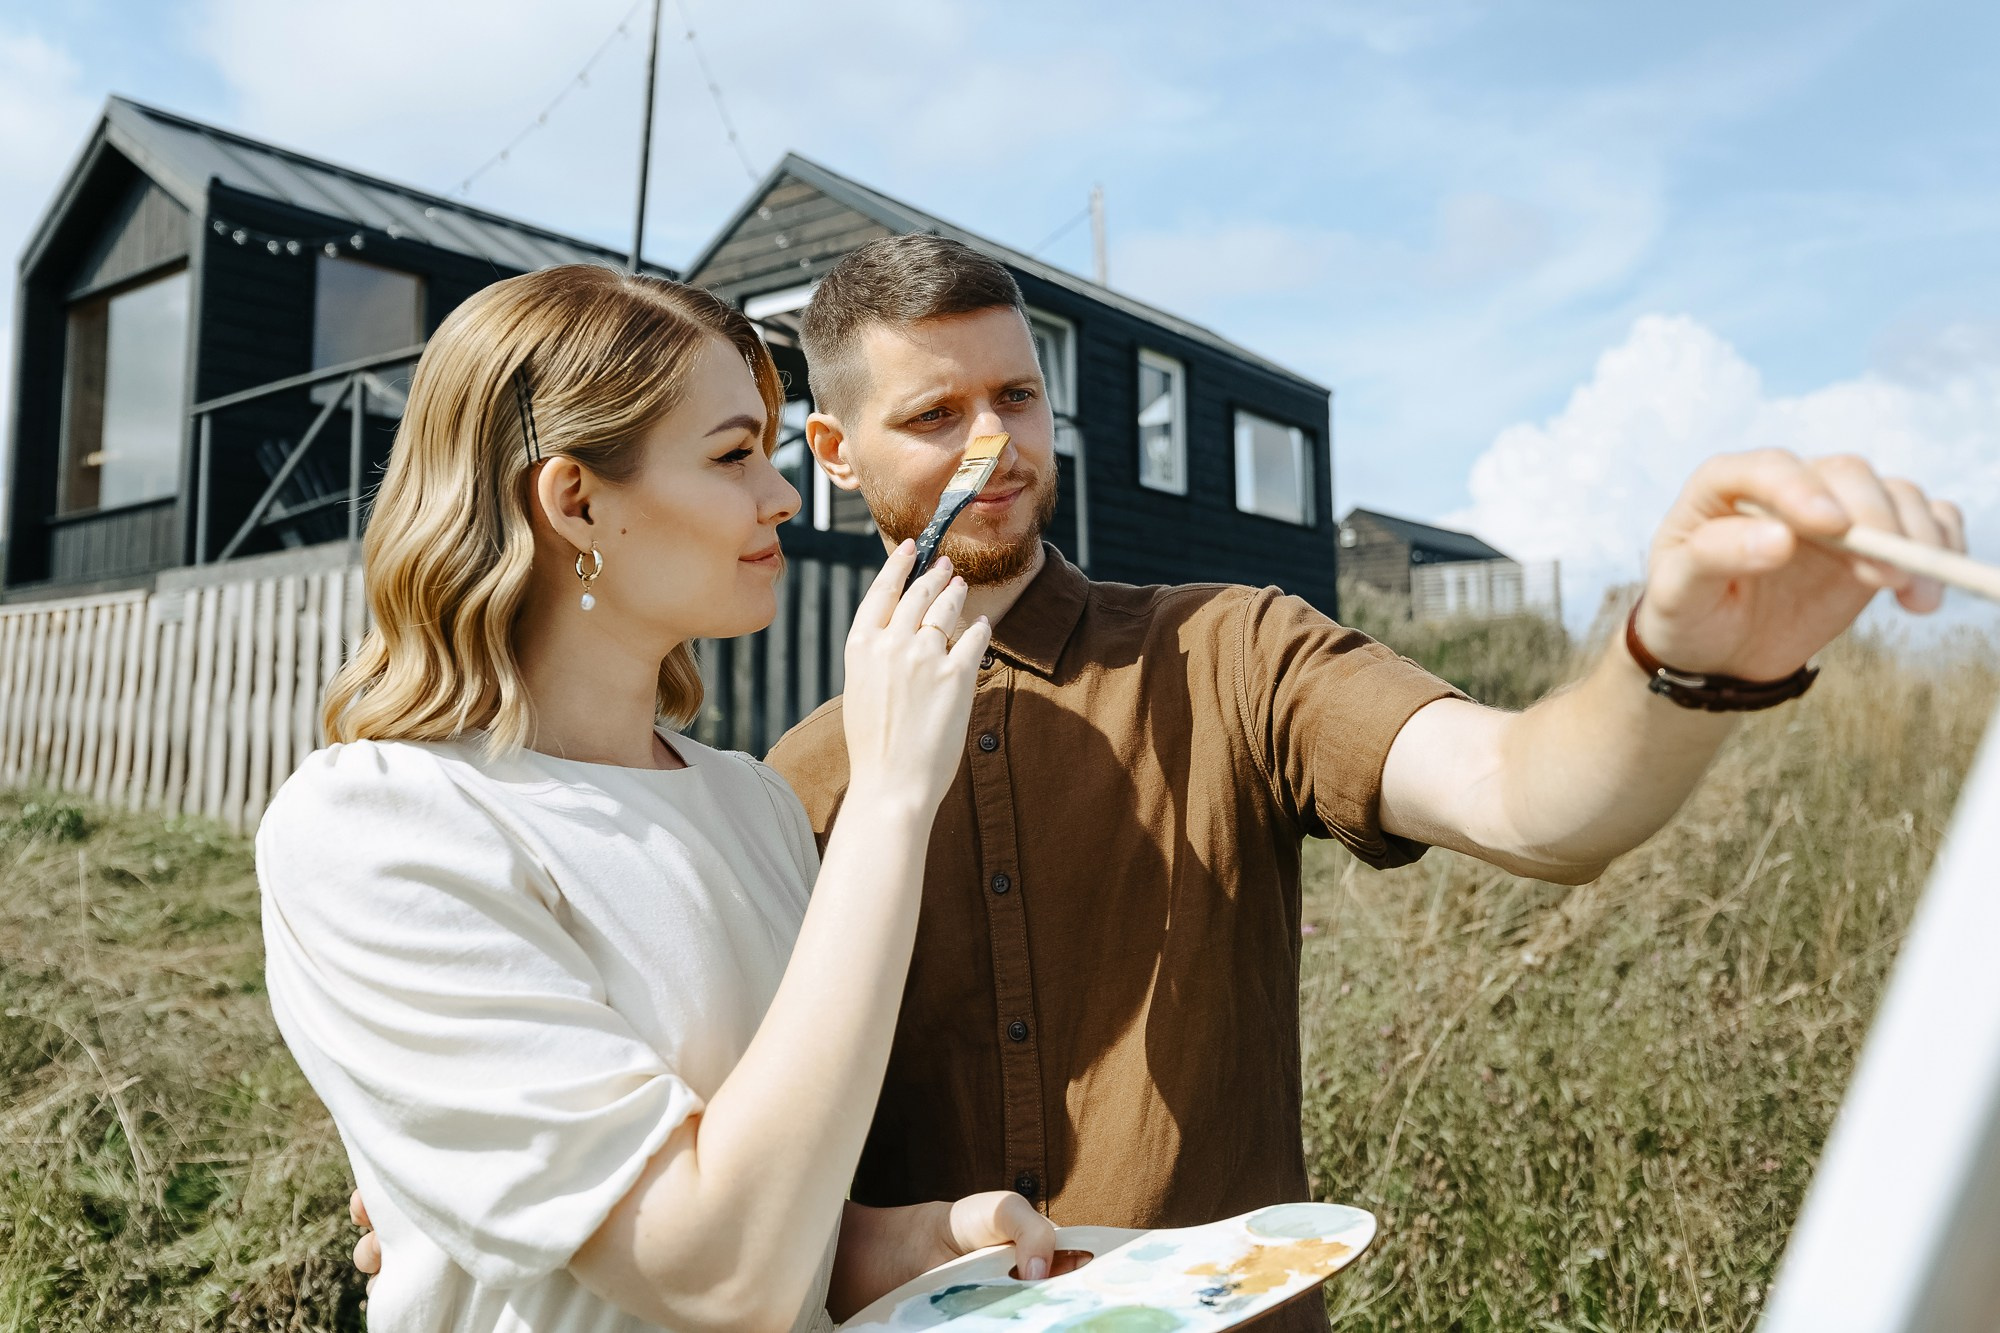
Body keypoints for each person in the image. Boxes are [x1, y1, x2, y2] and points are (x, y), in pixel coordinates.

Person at [350, 237, 1967, 1331]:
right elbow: (660, 1150)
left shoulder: (1232, 649)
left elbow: (1534, 798)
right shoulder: (790, 792)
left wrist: (1676, 661)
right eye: (936, 412)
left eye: (1019, 396)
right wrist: (454, 1195)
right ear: (832, 455)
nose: (996, 442)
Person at [261, 264, 1067, 1333]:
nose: (783, 496)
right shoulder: (381, 825)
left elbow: (775, 1220)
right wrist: (889, 797)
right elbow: (715, 1274)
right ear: (576, 501)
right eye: (733, 456)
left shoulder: (752, 805)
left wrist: (915, 1243)